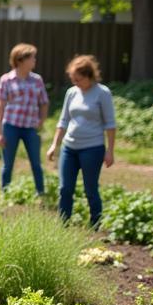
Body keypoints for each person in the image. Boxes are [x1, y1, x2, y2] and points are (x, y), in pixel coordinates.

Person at [46, 54, 116, 227]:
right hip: (69, 147)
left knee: (90, 189)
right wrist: (55, 144)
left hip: (92, 148)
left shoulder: (102, 93)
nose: (75, 83)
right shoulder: (71, 93)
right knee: (64, 188)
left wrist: (110, 151)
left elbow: (110, 124)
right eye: (72, 79)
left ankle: (96, 223)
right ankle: (63, 224)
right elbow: (63, 121)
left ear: (89, 76)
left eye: (78, 79)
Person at [0, 43, 49, 194]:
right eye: (32, 58)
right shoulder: (6, 80)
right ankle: (5, 193)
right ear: (20, 60)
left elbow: (44, 102)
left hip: (31, 128)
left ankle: (41, 193)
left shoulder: (37, 80)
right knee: (8, 164)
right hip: (10, 127)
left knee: (36, 163)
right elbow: (0, 106)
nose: (34, 61)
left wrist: (41, 121)